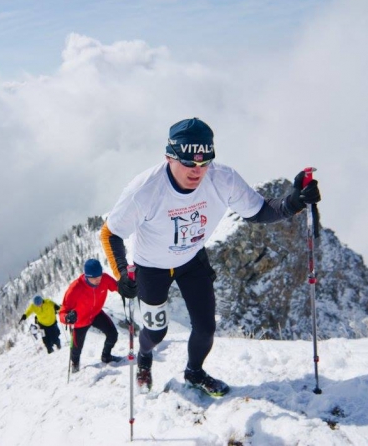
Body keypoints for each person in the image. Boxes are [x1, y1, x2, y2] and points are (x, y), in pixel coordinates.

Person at [100, 117, 321, 397]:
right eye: (189, 163)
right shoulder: (144, 191)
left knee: (205, 328)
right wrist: (121, 274)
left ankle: (194, 372)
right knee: (156, 333)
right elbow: (110, 233)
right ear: (170, 156)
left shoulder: (222, 178)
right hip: (151, 268)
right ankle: (145, 355)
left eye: (205, 162)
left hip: (192, 260)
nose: (198, 170)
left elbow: (259, 211)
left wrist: (295, 201)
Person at [59, 259, 123, 373]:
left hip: (96, 314)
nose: (98, 280)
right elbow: (62, 313)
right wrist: (67, 318)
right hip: (80, 321)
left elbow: (118, 287)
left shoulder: (104, 278)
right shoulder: (75, 288)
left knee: (113, 334)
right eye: (93, 278)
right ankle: (75, 364)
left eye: (99, 277)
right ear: (86, 276)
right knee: (76, 348)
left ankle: (106, 356)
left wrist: (127, 287)